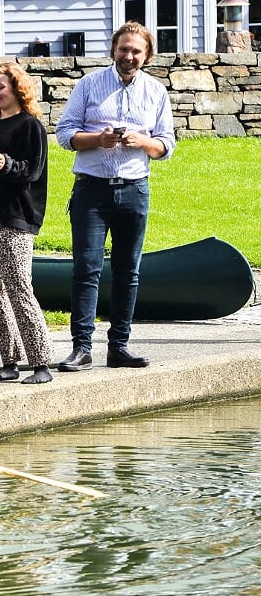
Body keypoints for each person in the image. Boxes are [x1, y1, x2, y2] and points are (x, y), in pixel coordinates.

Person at [55, 21, 176, 371]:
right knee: (86, 269)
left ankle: (119, 346)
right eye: (124, 49)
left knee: (128, 271)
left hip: (135, 190)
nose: (129, 56)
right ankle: (81, 347)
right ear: (114, 50)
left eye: (136, 51)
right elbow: (64, 134)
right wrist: (97, 140)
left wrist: (143, 142)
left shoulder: (156, 91)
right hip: (92, 189)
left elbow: (166, 145)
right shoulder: (89, 84)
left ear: (147, 55)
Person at [0, 62, 54, 385]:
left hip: (13, 221)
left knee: (18, 289)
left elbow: (32, 172)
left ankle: (41, 361)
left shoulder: (30, 126)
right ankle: (10, 360)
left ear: (17, 88)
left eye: (0, 86)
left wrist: (7, 165)